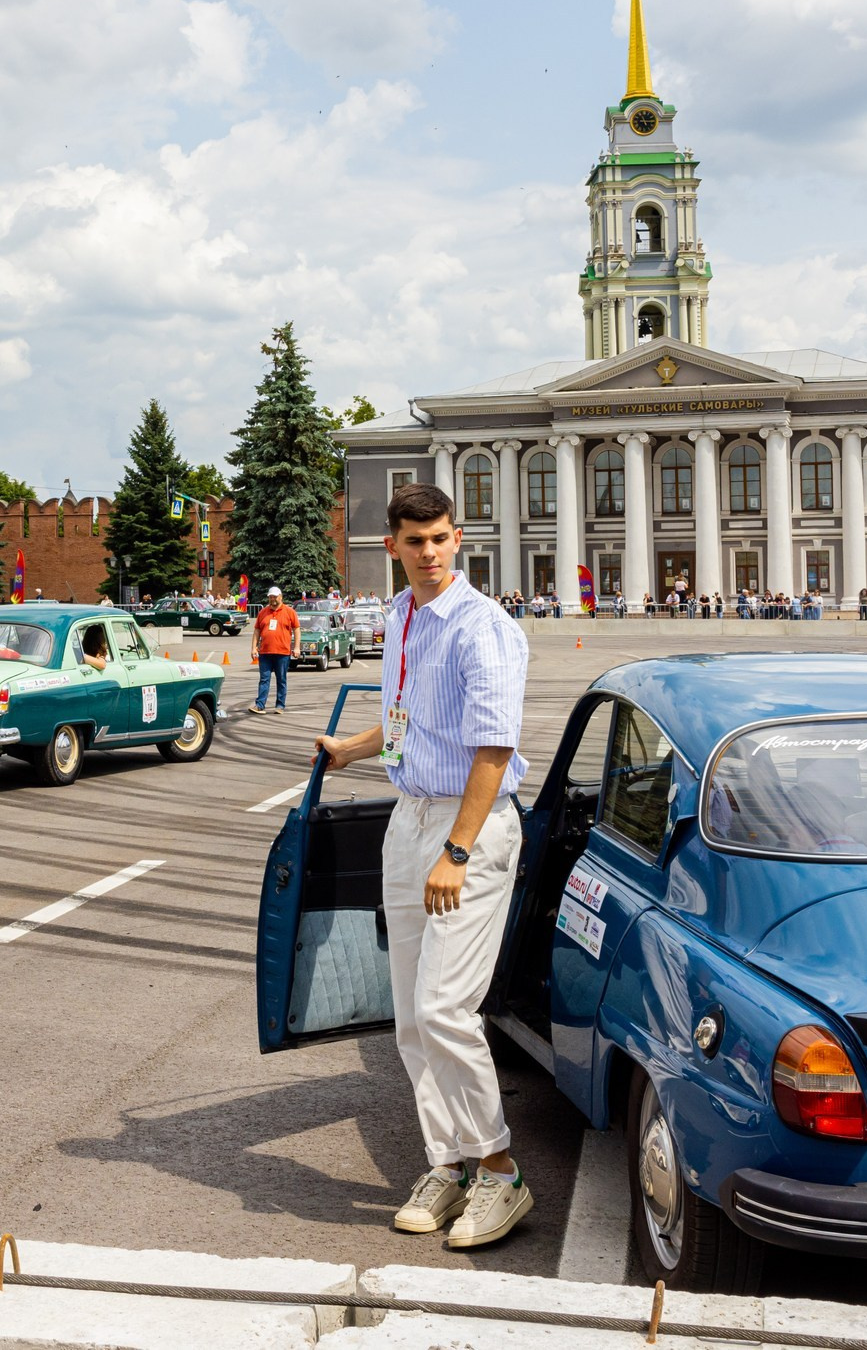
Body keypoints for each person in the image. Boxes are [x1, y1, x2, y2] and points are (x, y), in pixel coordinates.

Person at [314, 482, 532, 1250]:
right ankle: (449, 1162)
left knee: (446, 1007)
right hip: (407, 822)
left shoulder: (484, 628)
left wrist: (458, 851)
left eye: (440, 539)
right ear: (393, 547)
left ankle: (500, 1173)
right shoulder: (402, 616)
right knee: (411, 1014)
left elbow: (492, 749)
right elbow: (413, 719)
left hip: (465, 828)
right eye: (416, 541)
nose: (430, 553)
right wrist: (355, 748)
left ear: (458, 538)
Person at [251, 586, 297, 715]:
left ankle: (280, 705)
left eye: (275, 597)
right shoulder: (263, 612)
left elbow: (296, 629)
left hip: (282, 652)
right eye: (271, 597)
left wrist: (297, 646)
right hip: (265, 652)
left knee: (281, 679)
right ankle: (260, 705)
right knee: (264, 679)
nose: (273, 599)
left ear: (280, 597)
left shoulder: (289, 612)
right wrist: (254, 647)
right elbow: (257, 631)